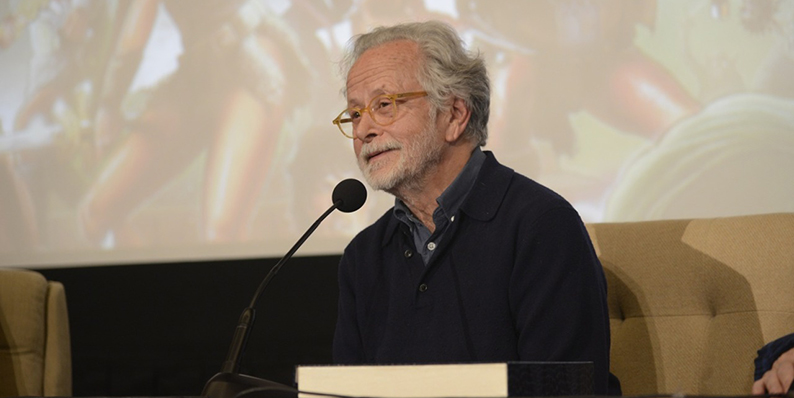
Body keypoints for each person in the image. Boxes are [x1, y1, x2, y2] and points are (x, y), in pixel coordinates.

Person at [330, 21, 620, 395]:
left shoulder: (541, 226)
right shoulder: (364, 256)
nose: (363, 130)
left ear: (454, 115)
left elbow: (565, 391)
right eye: (355, 114)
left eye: (383, 105)